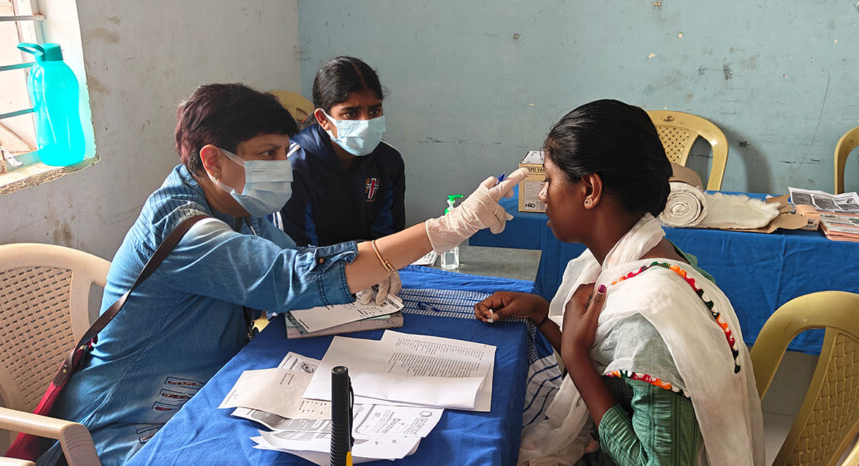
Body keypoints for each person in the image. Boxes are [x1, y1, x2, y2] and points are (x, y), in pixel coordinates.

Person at [42, 83, 526, 465]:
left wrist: (371, 267)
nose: (284, 166)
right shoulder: (187, 230)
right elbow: (291, 279)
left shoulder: (234, 206)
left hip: (209, 387)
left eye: (285, 152)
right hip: (130, 423)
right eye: (268, 154)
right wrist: (445, 229)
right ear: (213, 159)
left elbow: (301, 258)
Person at [474, 100, 763, 465]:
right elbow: (613, 366)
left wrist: (575, 360)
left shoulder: (647, 321)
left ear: (590, 189)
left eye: (548, 179)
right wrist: (542, 315)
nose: (543, 195)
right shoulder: (636, 256)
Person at [279, 56, 405, 247]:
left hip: (375, 261)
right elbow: (299, 252)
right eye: (351, 114)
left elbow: (390, 239)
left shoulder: (388, 161)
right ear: (323, 119)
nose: (365, 123)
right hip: (316, 264)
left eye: (374, 111)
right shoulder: (294, 167)